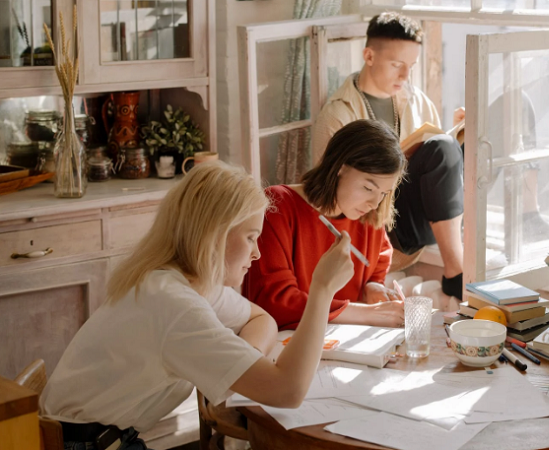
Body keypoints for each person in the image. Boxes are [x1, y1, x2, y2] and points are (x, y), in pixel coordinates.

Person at [40, 161, 355, 450]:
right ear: (214, 235)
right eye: (250, 237)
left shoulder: (180, 280)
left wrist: (244, 362)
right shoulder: (175, 306)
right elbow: (287, 392)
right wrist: (322, 290)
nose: (257, 253)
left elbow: (262, 319)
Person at [311, 12, 466, 299]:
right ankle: (456, 273)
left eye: (411, 66)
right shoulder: (338, 114)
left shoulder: (417, 100)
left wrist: (458, 134)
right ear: (368, 56)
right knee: (443, 149)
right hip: (380, 227)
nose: (405, 76)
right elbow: (329, 199)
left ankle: (462, 254)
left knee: (471, 134)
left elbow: (436, 170)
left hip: (423, 221)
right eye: (396, 64)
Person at [244, 120, 406, 330]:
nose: (375, 203)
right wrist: (368, 314)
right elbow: (274, 302)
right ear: (340, 168)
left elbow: (379, 259)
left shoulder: (367, 213)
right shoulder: (278, 205)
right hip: (287, 344)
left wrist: (372, 286)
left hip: (346, 342)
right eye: (368, 188)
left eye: (384, 193)